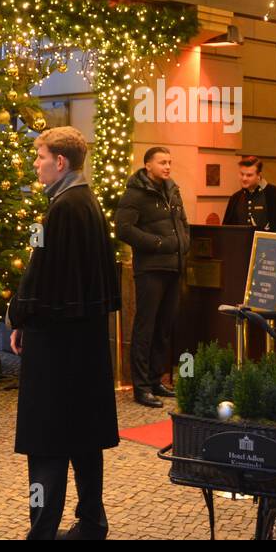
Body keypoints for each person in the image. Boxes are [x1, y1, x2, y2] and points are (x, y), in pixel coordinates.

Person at [8, 126, 120, 540]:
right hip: (84, 343)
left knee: (47, 442)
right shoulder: (86, 201)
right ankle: (92, 522)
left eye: (40, 157)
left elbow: (40, 276)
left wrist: (19, 317)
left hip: (55, 345)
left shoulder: (62, 207)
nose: (35, 165)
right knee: (83, 436)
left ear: (61, 162)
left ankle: (43, 532)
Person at [115, 146, 189, 408]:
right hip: (150, 269)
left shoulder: (172, 189)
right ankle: (141, 386)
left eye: (169, 162)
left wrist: (183, 243)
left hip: (174, 266)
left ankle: (157, 378)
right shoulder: (136, 193)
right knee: (145, 327)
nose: (167, 166)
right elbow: (123, 229)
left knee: (164, 326)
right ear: (148, 165)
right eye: (162, 162)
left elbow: (182, 222)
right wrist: (157, 243)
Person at [222, 155, 276, 237]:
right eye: (242, 174)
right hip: (241, 247)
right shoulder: (235, 198)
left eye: (249, 175)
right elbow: (227, 230)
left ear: (259, 175)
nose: (244, 178)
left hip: (269, 246)